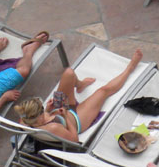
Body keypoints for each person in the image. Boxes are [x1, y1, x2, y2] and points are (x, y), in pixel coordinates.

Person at [13, 49, 144, 142]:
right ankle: (130, 68)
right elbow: (74, 139)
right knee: (103, 91)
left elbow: (39, 120)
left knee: (68, 73)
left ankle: (80, 84)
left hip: (58, 109)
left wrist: (48, 109)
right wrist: (65, 116)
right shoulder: (52, 128)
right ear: (38, 114)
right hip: (76, 119)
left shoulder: (25, 119)